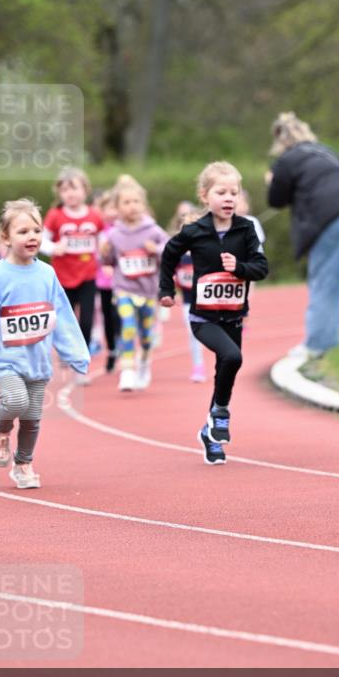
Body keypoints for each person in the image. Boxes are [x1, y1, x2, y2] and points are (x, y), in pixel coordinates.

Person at [0, 198, 89, 489]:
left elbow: (62, 315)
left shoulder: (47, 273)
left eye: (36, 231)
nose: (32, 237)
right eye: (23, 231)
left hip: (37, 359)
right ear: (5, 237)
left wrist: (76, 353)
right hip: (4, 360)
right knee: (16, 401)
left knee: (32, 418)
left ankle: (23, 465)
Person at [159, 161, 268, 465]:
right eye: (222, 192)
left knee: (226, 368)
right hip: (203, 317)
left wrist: (240, 268)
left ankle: (211, 431)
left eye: (234, 191)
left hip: (233, 314)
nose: (229, 197)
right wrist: (166, 290)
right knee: (233, 357)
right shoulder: (195, 231)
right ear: (205, 196)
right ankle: (220, 413)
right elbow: (169, 254)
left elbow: (262, 268)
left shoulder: (246, 229)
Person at [266, 112, 339, 358]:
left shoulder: (286, 159)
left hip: (333, 217)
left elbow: (275, 199)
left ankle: (319, 344)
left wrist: (271, 181)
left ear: (280, 140)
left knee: (325, 282)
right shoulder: (325, 150)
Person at [100, 177, 168, 392]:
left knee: (147, 336)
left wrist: (155, 250)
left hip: (148, 291)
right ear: (117, 208)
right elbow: (108, 261)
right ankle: (127, 370)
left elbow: (169, 249)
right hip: (124, 290)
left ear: (144, 205)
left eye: (136, 201)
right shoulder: (114, 234)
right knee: (128, 327)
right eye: (127, 202)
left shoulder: (153, 230)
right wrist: (104, 254)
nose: (132, 206)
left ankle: (144, 364)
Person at [42, 168, 104, 373]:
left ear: (85, 190)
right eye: (65, 190)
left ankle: (81, 355)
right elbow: (42, 239)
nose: (70, 194)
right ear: (59, 194)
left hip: (88, 275)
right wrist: (53, 248)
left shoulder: (95, 215)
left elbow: (104, 239)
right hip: (62, 276)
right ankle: (64, 351)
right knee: (62, 320)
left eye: (74, 188)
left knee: (86, 319)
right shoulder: (55, 215)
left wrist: (105, 253)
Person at [167, 201, 207, 382]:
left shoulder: (208, 251)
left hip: (210, 300)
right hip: (188, 301)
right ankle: (198, 366)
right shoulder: (177, 252)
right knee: (193, 333)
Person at [93, 190, 121, 372]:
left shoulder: (123, 230)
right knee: (108, 318)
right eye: (107, 209)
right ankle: (111, 350)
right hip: (103, 281)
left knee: (121, 316)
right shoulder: (98, 232)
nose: (111, 213)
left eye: (114, 208)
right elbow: (94, 253)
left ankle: (122, 346)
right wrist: (102, 261)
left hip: (123, 283)